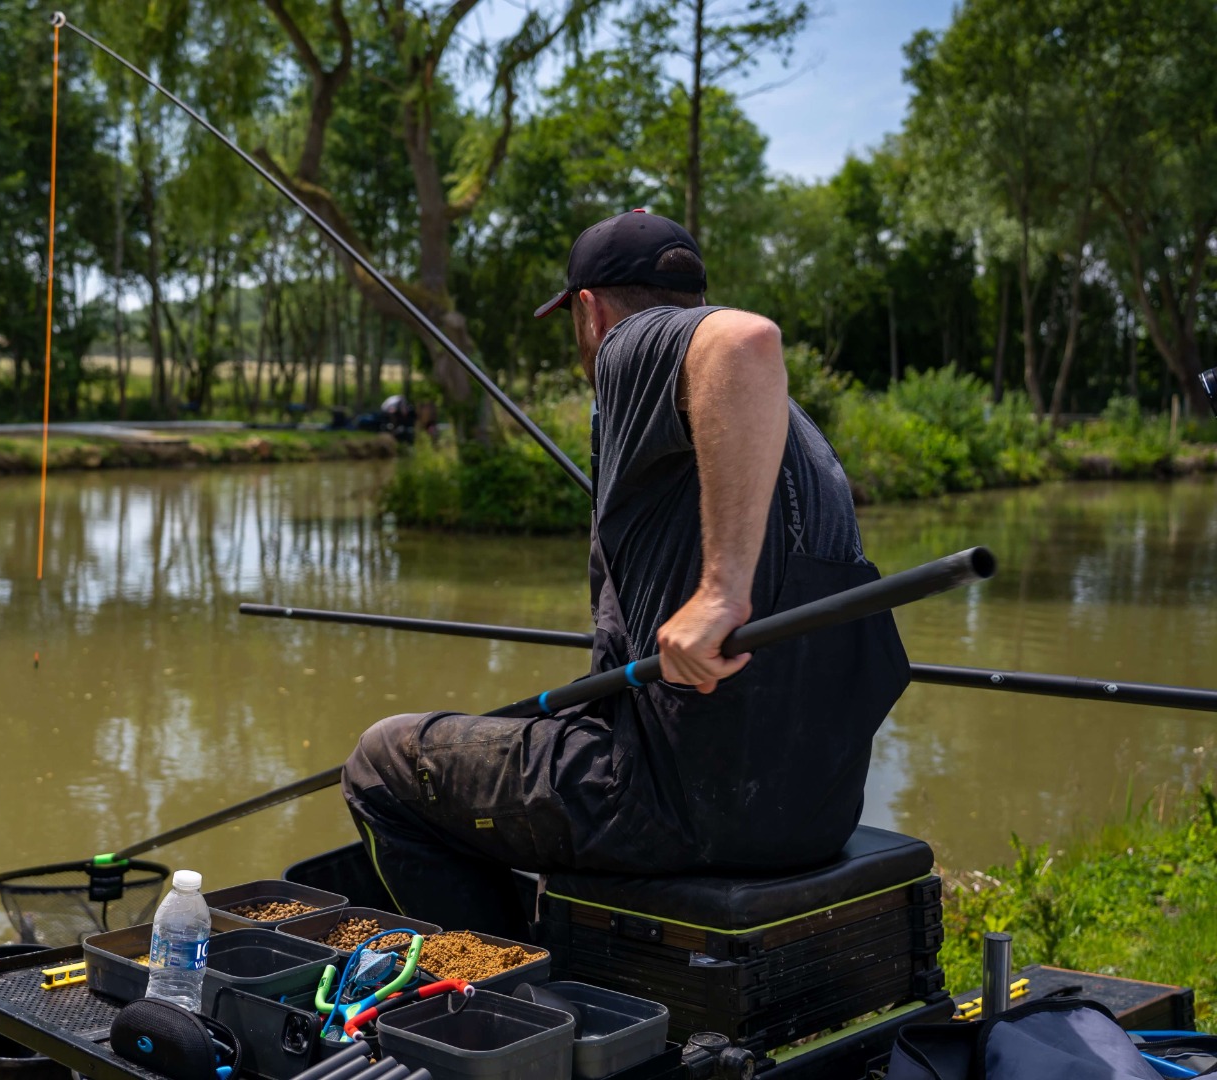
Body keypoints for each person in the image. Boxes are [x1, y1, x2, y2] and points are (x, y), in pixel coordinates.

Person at [340, 210, 911, 940]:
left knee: (382, 764)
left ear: (590, 309)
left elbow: (745, 342)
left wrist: (720, 592)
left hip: (672, 804)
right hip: (814, 812)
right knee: (537, 731)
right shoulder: (793, 432)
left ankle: (502, 989)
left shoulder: (629, 343)